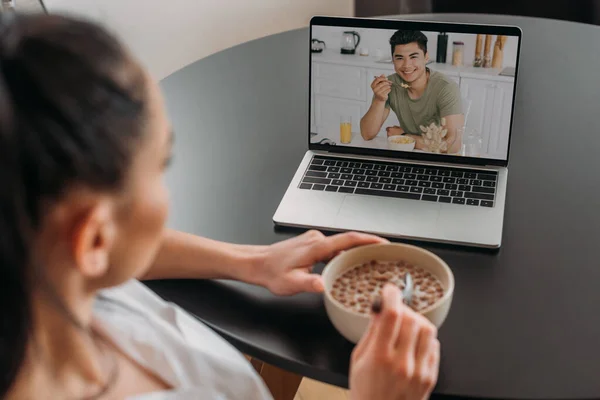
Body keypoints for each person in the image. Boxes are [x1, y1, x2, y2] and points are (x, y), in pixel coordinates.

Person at [0, 13, 440, 400]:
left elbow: (120, 253)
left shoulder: (44, 271)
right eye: (161, 165)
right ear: (95, 236)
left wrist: (253, 261)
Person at [360, 30, 464, 153]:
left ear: (426, 57)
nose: (407, 65)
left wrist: (405, 136)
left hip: (437, 157)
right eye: (399, 58)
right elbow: (367, 134)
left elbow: (453, 146)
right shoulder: (390, 84)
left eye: (413, 57)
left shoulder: (446, 88)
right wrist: (379, 100)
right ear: (393, 60)